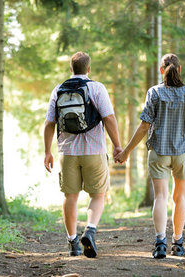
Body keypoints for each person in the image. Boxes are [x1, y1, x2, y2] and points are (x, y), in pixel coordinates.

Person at [115, 53, 185, 258]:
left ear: (161, 70)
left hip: (158, 152)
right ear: (179, 70)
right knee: (179, 196)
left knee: (161, 197)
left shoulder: (154, 92)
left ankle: (160, 244)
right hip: (183, 153)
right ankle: (179, 243)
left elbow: (144, 126)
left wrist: (126, 151)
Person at [44, 52, 122, 258]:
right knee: (97, 195)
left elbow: (49, 124)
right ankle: (89, 230)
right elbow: (110, 118)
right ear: (89, 69)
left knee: (70, 196)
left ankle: (72, 243)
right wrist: (117, 146)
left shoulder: (58, 89)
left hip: (67, 152)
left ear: (71, 69)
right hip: (94, 151)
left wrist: (47, 152)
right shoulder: (96, 88)